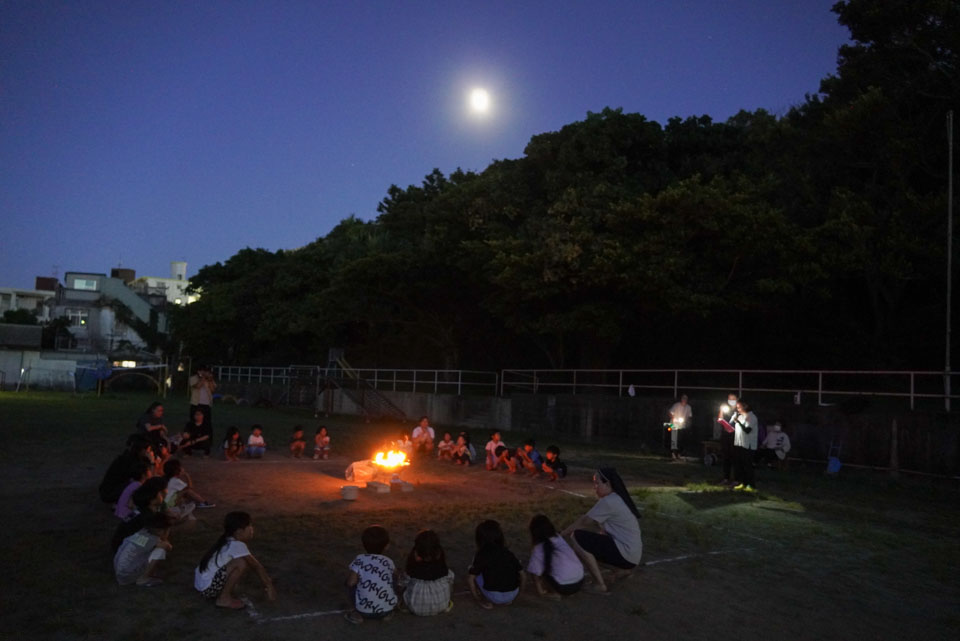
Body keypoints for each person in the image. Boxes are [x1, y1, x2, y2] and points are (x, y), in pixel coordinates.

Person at [562, 467, 642, 594]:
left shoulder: (610, 501)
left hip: (626, 554)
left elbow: (583, 522)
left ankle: (599, 585)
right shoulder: (617, 498)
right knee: (591, 545)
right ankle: (621, 570)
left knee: (577, 538)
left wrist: (561, 535)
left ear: (608, 484)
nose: (595, 486)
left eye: (597, 483)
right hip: (632, 555)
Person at [194, 511, 275, 610]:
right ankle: (223, 599)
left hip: (201, 584)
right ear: (239, 532)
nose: (252, 529)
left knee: (239, 561)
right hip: (207, 588)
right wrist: (269, 586)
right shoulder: (237, 545)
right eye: (250, 526)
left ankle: (227, 589)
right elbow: (256, 566)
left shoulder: (227, 539)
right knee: (240, 563)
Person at [345, 525, 398, 624]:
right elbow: (396, 575)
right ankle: (387, 613)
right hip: (387, 609)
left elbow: (351, 583)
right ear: (386, 546)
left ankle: (357, 614)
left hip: (363, 611)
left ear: (363, 544)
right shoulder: (389, 561)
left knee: (349, 583)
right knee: (394, 578)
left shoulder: (359, 559)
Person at [468, 519, 523, 609]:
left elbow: (470, 579)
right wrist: (519, 594)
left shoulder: (481, 555)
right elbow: (523, 575)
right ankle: (507, 599)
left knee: (473, 570)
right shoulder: (508, 553)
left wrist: (477, 599)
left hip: (494, 596)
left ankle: (485, 600)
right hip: (513, 594)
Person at [526, 514, 584, 600]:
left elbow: (534, 571)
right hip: (580, 581)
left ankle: (553, 593)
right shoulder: (558, 538)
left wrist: (540, 591)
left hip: (563, 587)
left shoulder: (538, 549)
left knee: (539, 569)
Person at [399, 529, 454, 616]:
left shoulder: (413, 569)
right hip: (441, 605)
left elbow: (402, 583)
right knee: (450, 577)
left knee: (405, 587)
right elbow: (450, 580)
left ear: (417, 555)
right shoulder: (442, 569)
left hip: (416, 608)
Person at [113, 511, 173, 587]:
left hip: (120, 572)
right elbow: (168, 547)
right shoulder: (152, 539)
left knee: (152, 550)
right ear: (160, 530)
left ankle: (143, 572)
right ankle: (144, 578)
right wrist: (165, 539)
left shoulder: (142, 532)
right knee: (161, 551)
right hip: (127, 575)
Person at [99, 435, 153, 506]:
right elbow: (148, 478)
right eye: (148, 450)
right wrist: (152, 462)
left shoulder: (131, 457)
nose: (150, 452)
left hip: (111, 490)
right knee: (139, 484)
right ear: (142, 450)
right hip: (110, 493)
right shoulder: (129, 461)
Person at [732, 401, 759, 491]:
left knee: (748, 466)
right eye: (737, 407)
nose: (737, 409)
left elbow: (747, 430)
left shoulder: (752, 417)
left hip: (748, 445)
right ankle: (743, 483)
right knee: (741, 465)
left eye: (739, 407)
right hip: (739, 444)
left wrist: (739, 422)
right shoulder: (740, 416)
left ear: (745, 406)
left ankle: (751, 485)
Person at [136, 402, 169, 472]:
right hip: (144, 438)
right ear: (153, 410)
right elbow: (149, 428)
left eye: (162, 411)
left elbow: (161, 433)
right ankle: (151, 470)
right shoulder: (146, 417)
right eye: (159, 410)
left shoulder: (159, 419)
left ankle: (160, 469)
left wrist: (166, 439)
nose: (161, 412)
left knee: (165, 452)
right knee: (151, 456)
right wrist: (161, 426)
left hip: (155, 438)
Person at [717, 393, 738, 485]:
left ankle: (736, 479)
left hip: (736, 436)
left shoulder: (739, 410)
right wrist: (721, 410)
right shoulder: (726, 409)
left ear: (736, 399)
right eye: (729, 399)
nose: (731, 401)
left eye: (733, 399)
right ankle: (726, 478)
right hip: (726, 435)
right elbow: (720, 419)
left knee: (735, 457)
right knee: (726, 456)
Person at [189, 364, 217, 434]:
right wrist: (203, 378)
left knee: (207, 422)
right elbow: (197, 386)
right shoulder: (193, 378)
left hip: (207, 404)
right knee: (195, 421)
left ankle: (207, 436)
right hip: (196, 403)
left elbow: (213, 390)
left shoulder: (209, 380)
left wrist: (210, 380)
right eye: (202, 371)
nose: (204, 373)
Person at [668, 394, 693, 461]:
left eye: (686, 399)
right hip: (674, 424)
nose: (684, 400)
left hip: (682, 425)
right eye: (683, 398)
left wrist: (687, 421)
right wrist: (673, 418)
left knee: (681, 439)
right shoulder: (676, 405)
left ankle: (679, 453)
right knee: (674, 438)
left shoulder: (688, 407)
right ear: (681, 399)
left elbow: (690, 416)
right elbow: (670, 412)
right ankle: (673, 453)